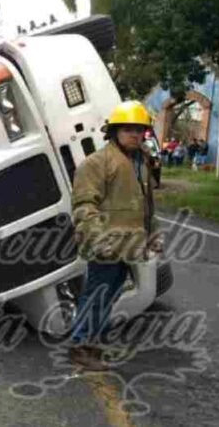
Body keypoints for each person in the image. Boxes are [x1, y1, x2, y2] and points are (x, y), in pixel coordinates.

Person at [68, 101, 161, 371]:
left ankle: (91, 344)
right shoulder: (97, 163)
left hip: (129, 245)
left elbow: (147, 205)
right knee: (97, 296)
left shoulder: (141, 161)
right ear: (114, 131)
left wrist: (154, 235)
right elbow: (84, 206)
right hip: (106, 246)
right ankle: (81, 346)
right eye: (128, 129)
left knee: (108, 297)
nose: (135, 135)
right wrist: (99, 240)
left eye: (139, 130)